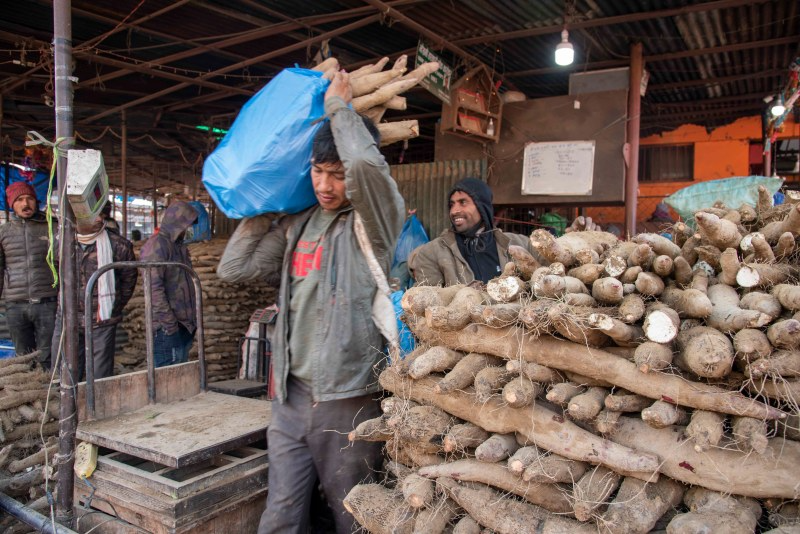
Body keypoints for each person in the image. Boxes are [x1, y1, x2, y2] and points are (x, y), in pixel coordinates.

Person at [217, 71, 404, 534]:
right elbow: (234, 269)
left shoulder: (372, 220)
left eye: (336, 175)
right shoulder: (300, 224)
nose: (325, 185)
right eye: (318, 172)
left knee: (353, 515)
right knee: (281, 514)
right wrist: (262, 203)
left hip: (348, 399)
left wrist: (340, 108)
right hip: (290, 396)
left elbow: (364, 165)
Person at [409, 178, 599, 286]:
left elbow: (555, 265)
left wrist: (573, 238)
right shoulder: (432, 253)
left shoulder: (518, 243)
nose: (454, 211)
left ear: (482, 207)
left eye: (463, 202)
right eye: (451, 205)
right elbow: (428, 306)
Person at [51, 210, 138, 380]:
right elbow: (54, 275)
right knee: (66, 371)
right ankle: (71, 406)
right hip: (68, 317)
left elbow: (129, 279)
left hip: (102, 319)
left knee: (100, 374)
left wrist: (113, 306)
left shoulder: (118, 245)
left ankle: (98, 406)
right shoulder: (61, 243)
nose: (100, 219)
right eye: (92, 215)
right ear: (76, 218)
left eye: (101, 214)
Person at [0, 181, 58, 369]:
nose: (26, 204)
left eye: (30, 199)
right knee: (23, 357)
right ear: (12, 204)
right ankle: (30, 396)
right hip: (15, 304)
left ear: (36, 201)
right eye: (20, 200)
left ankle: (51, 394)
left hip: (47, 301)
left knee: (48, 355)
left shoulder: (51, 228)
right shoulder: (3, 232)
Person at [139, 201, 199, 368]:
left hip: (184, 325)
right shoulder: (157, 246)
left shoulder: (179, 247)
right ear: (178, 223)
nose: (188, 230)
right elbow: (153, 290)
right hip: (166, 328)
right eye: (187, 225)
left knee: (179, 373)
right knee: (166, 378)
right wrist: (169, 323)